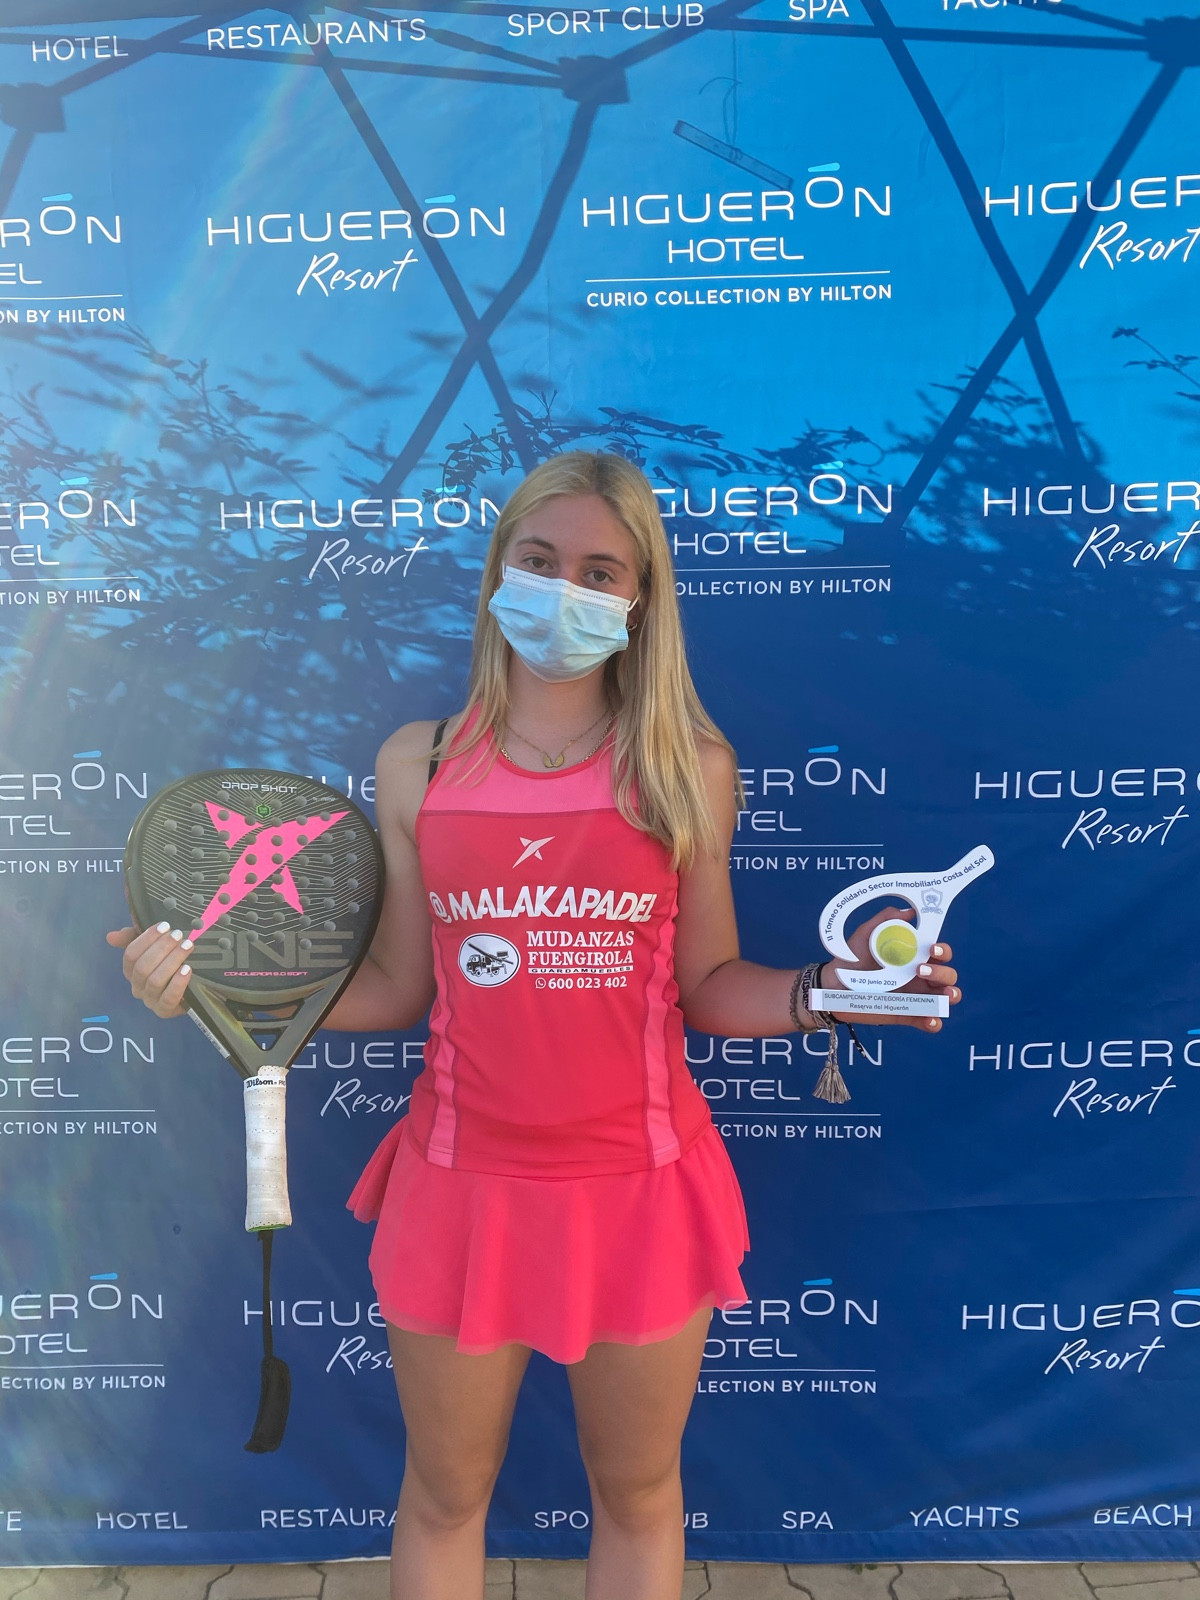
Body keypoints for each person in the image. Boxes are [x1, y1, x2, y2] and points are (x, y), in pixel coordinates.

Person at [109, 451, 960, 1600]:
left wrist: (829, 987)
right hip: (462, 1187)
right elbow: (396, 989)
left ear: (641, 597)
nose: (566, 589)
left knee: (639, 1495)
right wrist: (207, 990)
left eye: (600, 571)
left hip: (642, 1188)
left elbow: (710, 986)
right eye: (540, 559)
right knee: (445, 1496)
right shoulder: (419, 762)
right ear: (497, 569)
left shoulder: (688, 768)